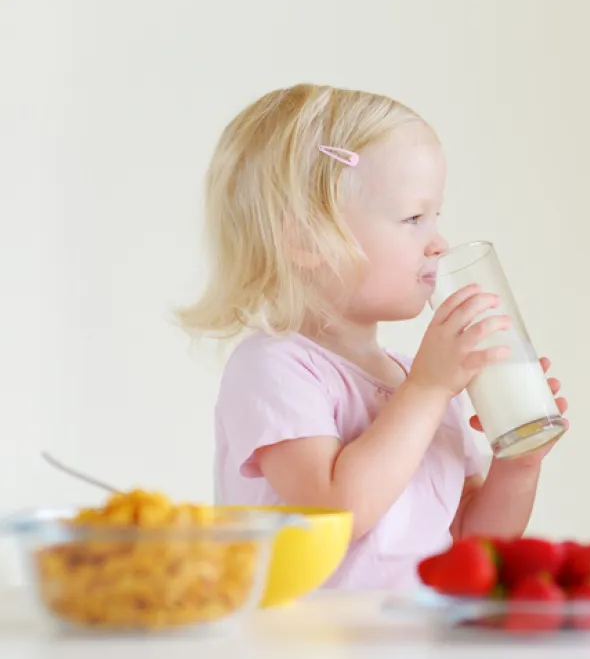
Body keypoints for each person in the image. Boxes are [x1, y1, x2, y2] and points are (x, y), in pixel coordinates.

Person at [176, 84, 567, 589]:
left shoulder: (419, 377)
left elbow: (473, 543)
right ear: (304, 240)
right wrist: (427, 389)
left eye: (436, 216)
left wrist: (518, 466)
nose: (438, 243)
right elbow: (334, 515)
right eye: (412, 218)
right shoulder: (273, 368)